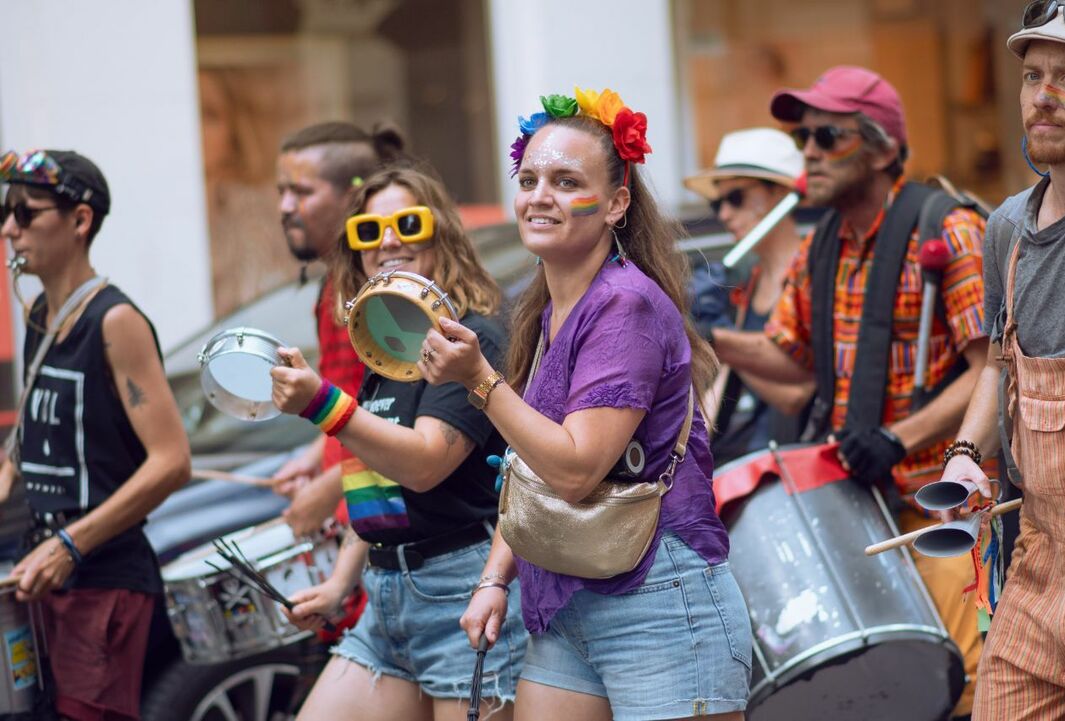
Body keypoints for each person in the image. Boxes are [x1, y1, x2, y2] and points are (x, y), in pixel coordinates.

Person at [421, 89, 752, 720]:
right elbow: (531, 469)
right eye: (530, 178)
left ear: (615, 203)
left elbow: (574, 471)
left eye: (566, 180)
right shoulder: (545, 311)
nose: (540, 195)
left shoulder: (623, 305)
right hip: (566, 600)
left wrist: (481, 382)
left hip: (658, 600)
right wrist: (496, 577)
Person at [710, 67, 990, 719]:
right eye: (802, 136)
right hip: (857, 510)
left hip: (940, 508)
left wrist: (900, 437)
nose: (808, 150)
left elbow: (991, 369)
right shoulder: (820, 245)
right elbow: (786, 358)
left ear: (884, 149)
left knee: (963, 686)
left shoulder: (947, 229)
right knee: (872, 693)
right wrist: (707, 335)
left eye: (827, 135)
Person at [270, 165, 525, 720]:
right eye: (368, 229)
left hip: (463, 590)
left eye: (407, 224)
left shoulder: (472, 335)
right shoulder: (384, 338)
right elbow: (377, 475)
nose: (387, 241)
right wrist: (340, 584)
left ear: (441, 236)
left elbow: (426, 464)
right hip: (385, 595)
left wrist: (322, 404)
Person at [0, 149, 190, 720]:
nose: (9, 228)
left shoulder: (115, 321)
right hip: (43, 570)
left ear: (79, 221)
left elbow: (172, 462)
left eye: (26, 213)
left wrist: (71, 543)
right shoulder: (37, 314)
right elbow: (26, 447)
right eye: (6, 212)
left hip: (104, 575)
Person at [940, 4, 1065, 717]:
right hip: (1038, 562)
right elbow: (1001, 364)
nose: (1043, 95)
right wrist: (967, 450)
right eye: (1032, 76)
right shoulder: (1006, 232)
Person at [272, 121, 406, 537]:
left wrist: (329, 489)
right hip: (358, 510)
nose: (286, 207)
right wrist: (316, 457)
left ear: (354, 197)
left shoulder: (383, 290)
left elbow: (400, 416)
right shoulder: (335, 284)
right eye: (282, 192)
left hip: (385, 514)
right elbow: (354, 398)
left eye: (302, 192)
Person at [683, 127, 814, 464]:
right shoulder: (752, 281)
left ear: (780, 193)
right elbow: (730, 377)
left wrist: (720, 342)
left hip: (800, 467)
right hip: (753, 464)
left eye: (736, 198)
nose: (724, 214)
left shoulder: (810, 272)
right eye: (717, 202)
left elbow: (796, 395)